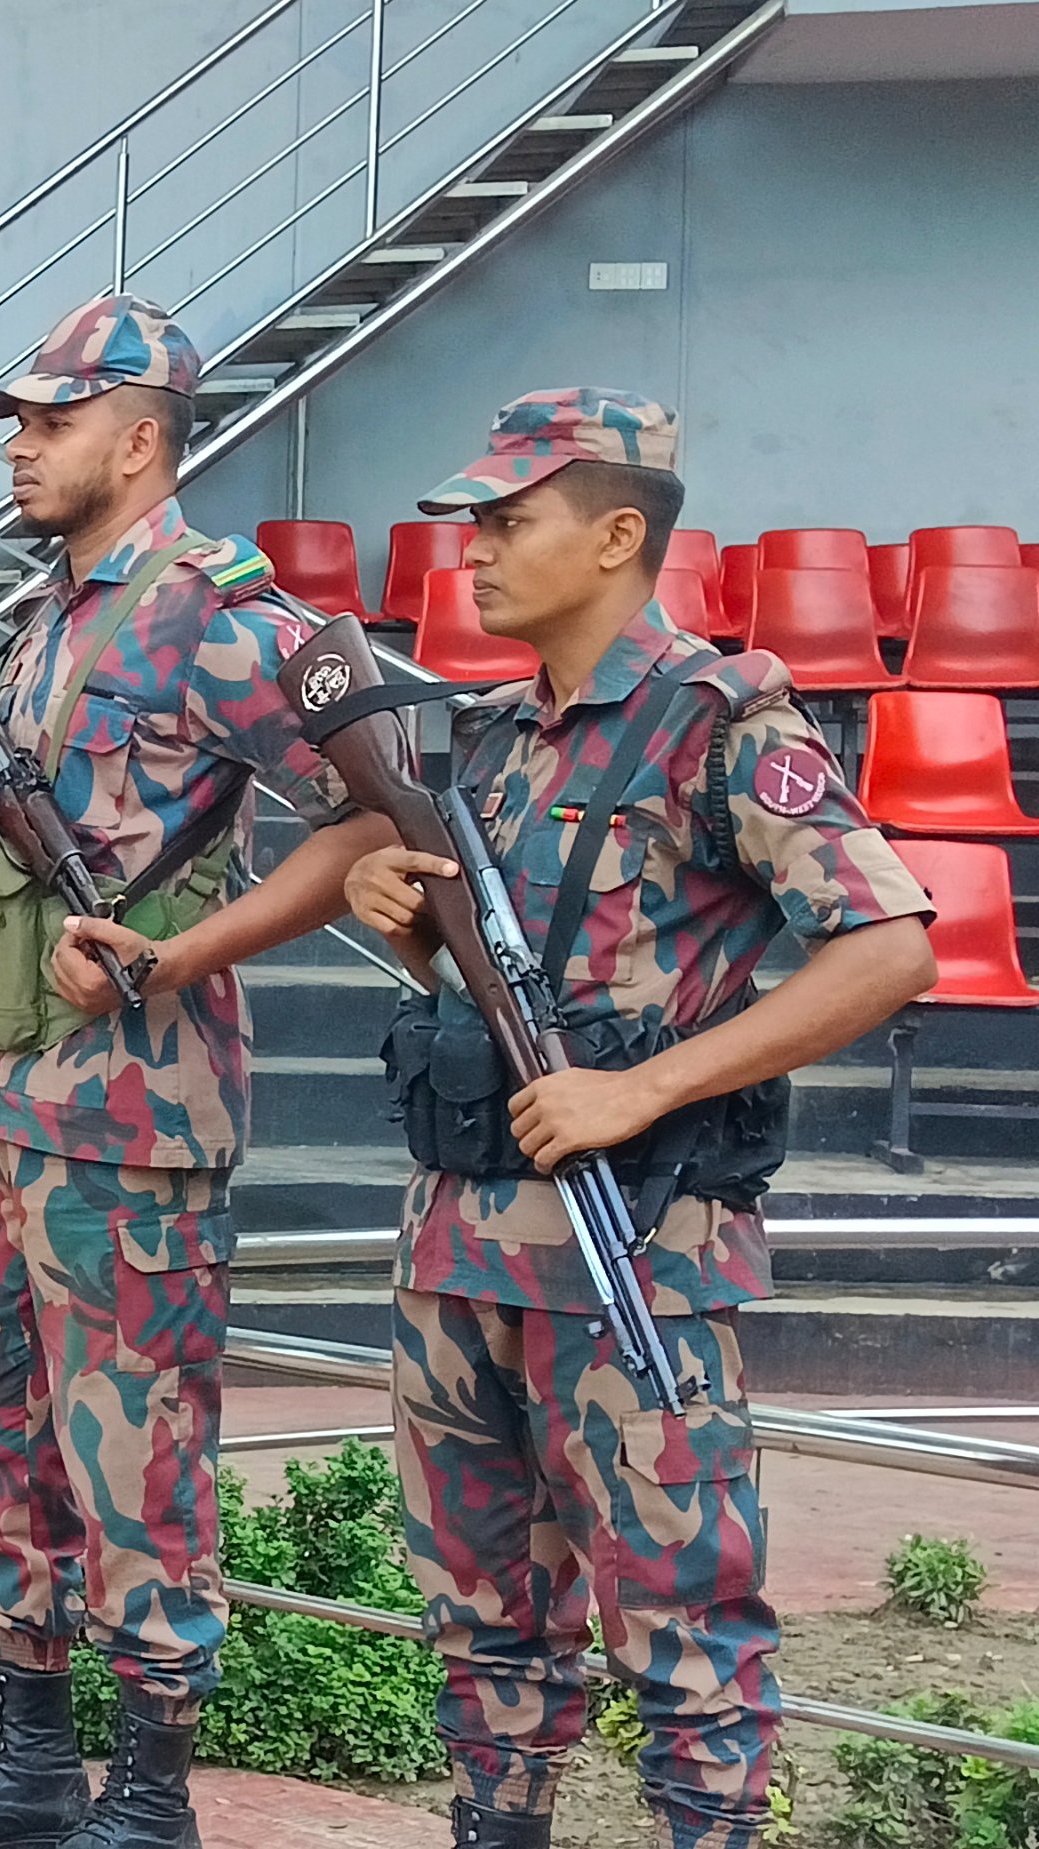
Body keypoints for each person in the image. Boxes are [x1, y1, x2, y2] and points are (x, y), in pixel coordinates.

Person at [341, 391, 931, 1849]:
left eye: (506, 520)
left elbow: (892, 947)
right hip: (460, 1247)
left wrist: (648, 1084)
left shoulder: (722, 724)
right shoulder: (478, 741)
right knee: (478, 1625)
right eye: (467, 523)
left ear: (619, 535)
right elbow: (494, 962)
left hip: (634, 1261)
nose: (468, 551)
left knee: (683, 1638)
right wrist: (404, 925)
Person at [0, 295, 395, 1849]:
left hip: (140, 1117)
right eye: (15, 423)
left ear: (141, 436)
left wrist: (188, 952)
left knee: (136, 1453)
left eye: (49, 420)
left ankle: (148, 1794)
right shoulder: (47, 621)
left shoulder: (224, 617)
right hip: (15, 1096)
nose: (20, 446)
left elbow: (376, 812)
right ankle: (29, 1760)